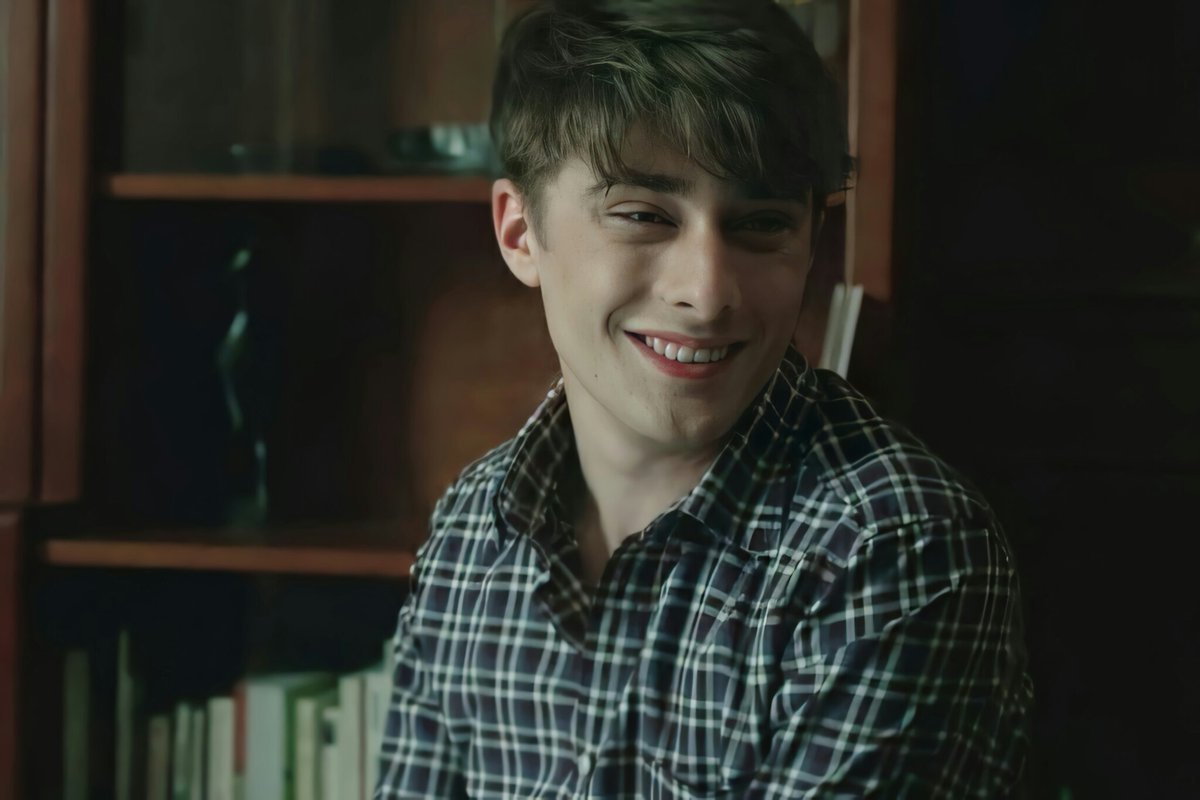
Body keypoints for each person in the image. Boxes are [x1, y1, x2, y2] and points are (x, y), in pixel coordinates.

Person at [376, 1, 1034, 797]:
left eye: (761, 224)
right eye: (643, 216)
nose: (708, 291)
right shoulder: (469, 532)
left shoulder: (891, 547)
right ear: (520, 234)